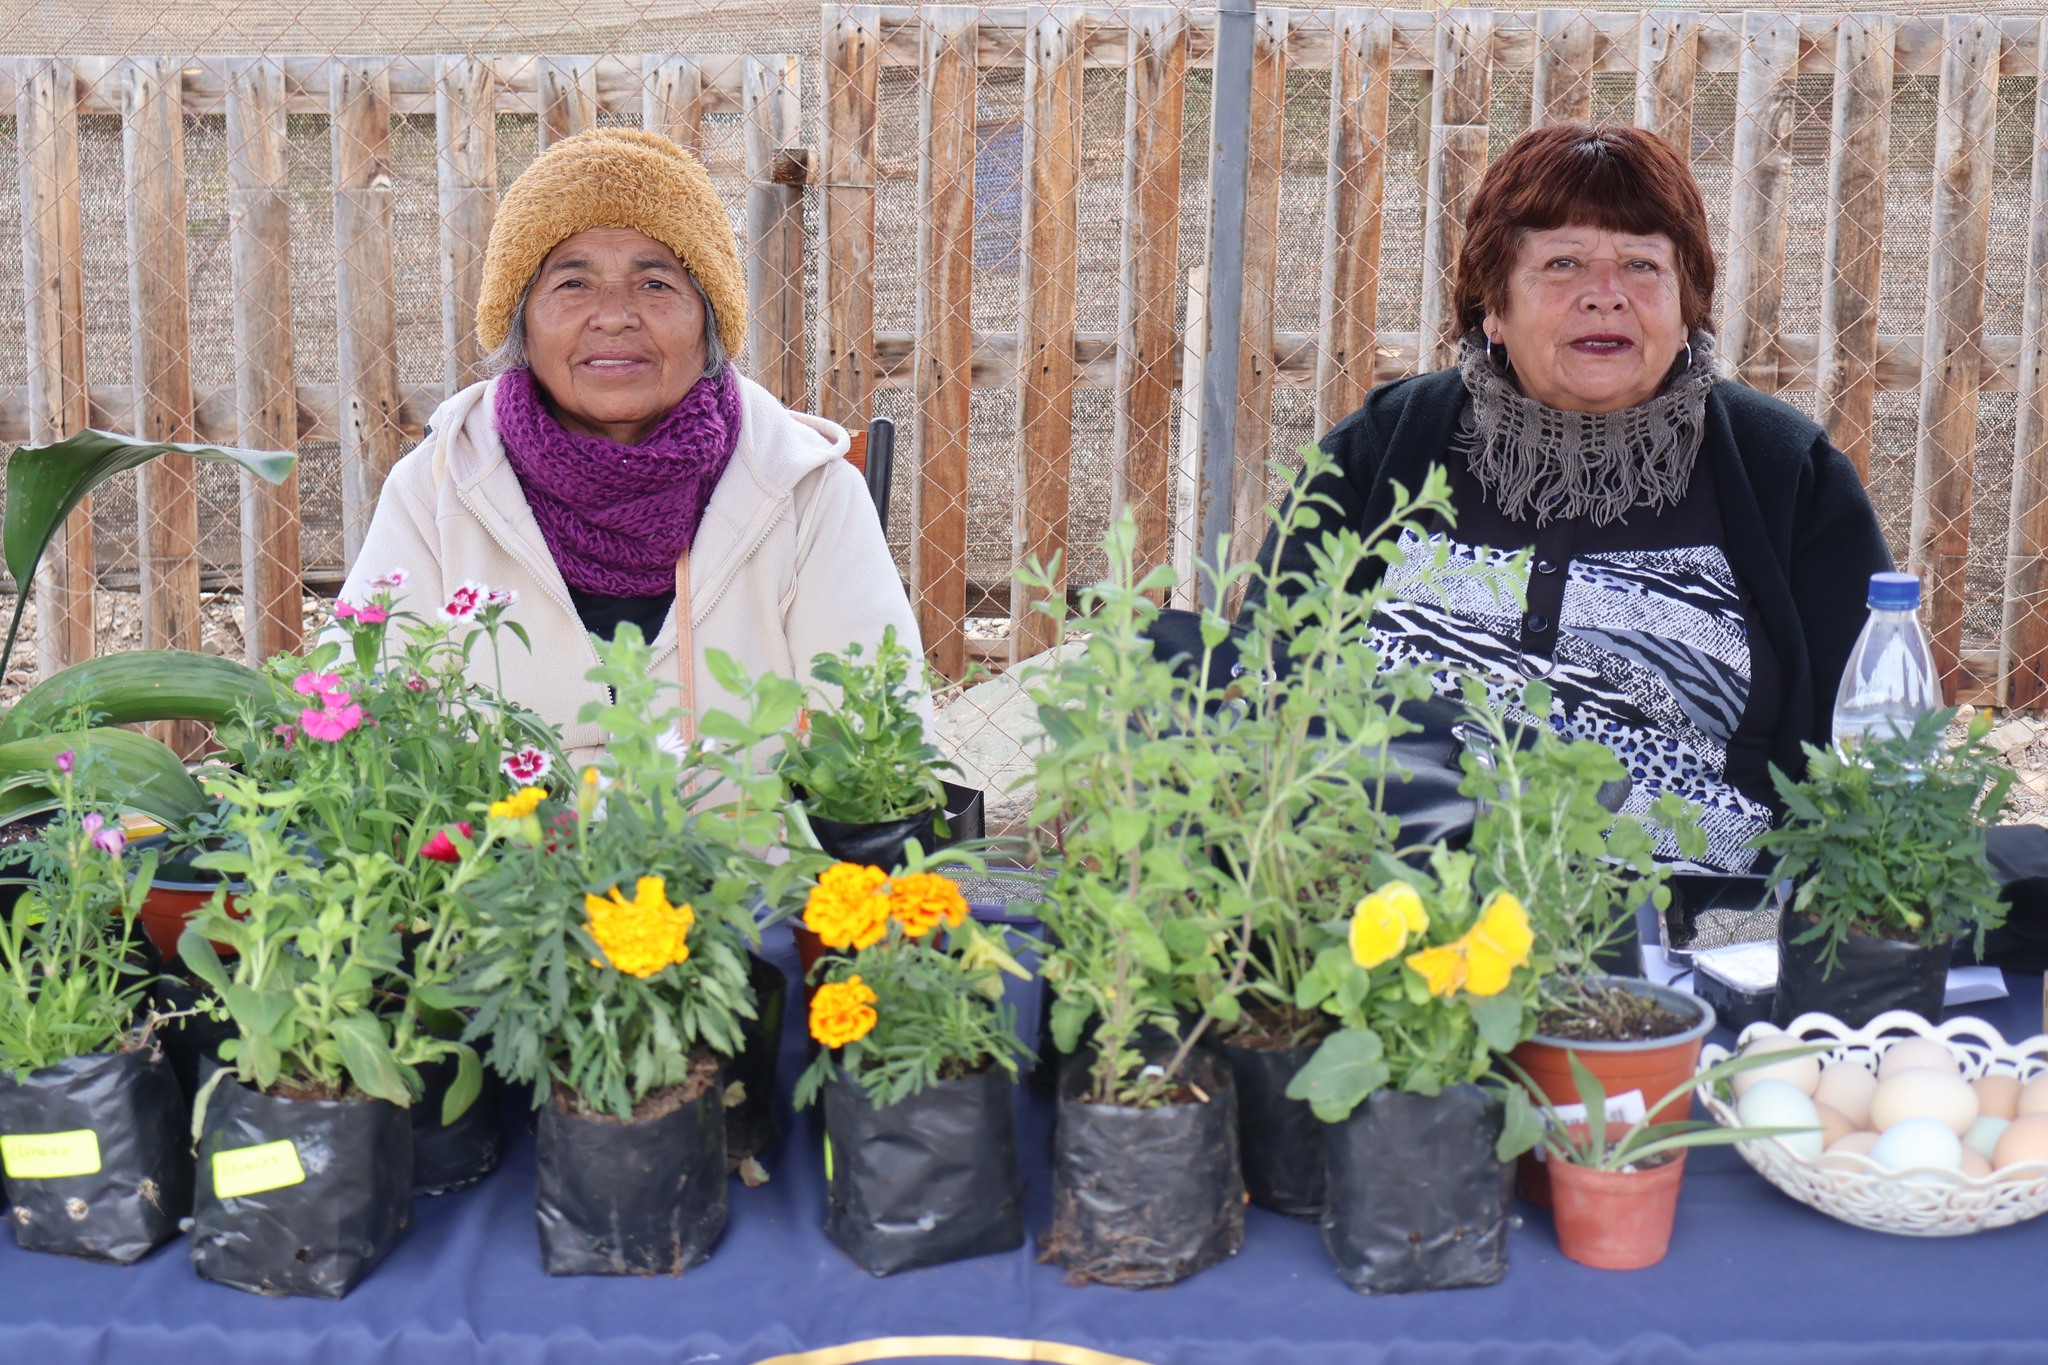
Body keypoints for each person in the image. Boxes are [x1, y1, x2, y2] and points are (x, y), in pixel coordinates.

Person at [1256, 123, 1892, 873]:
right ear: (1491, 304)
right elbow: (1272, 690)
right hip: (1396, 925)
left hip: (1699, 936)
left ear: (1687, 304)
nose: (1605, 296)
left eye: (1641, 264)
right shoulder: (1386, 449)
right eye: (1562, 263)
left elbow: (1871, 753)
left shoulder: (1781, 473)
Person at [338, 128, 919, 760]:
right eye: (572, 284)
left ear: (709, 322)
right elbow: (359, 724)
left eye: (655, 284)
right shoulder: (440, 487)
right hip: (498, 854)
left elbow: (878, 741)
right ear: (520, 325)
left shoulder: (805, 488)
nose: (613, 315)